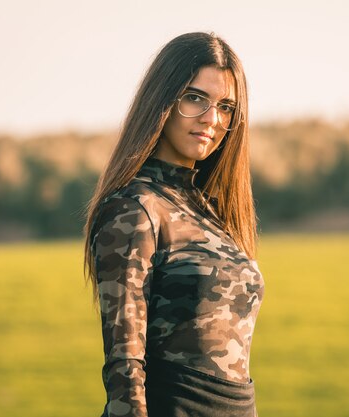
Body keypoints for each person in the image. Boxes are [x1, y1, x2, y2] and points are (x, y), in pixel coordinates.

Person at [83, 32, 265, 417]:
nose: (211, 119)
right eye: (195, 98)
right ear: (164, 99)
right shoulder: (134, 208)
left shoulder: (211, 210)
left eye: (226, 106)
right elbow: (124, 365)